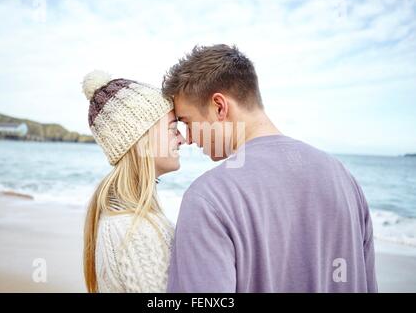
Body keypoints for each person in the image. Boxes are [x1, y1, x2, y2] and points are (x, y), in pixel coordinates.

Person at [162, 44, 378, 292]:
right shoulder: (344, 179)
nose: (188, 137)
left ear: (220, 107)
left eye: (187, 122)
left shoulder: (208, 198)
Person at [82, 70, 185, 292]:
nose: (182, 138)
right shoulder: (135, 231)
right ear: (142, 139)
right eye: (173, 128)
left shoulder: (123, 220)